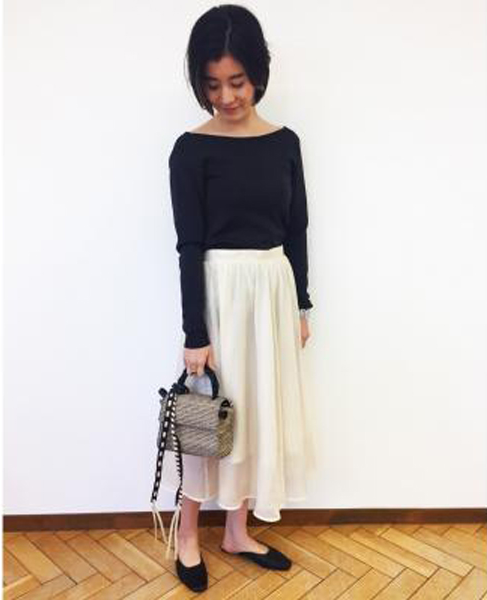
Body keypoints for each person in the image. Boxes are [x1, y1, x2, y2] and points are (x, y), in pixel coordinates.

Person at [159, 4, 316, 592]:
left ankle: (236, 531)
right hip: (220, 295)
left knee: (254, 417)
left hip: (272, 292)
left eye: (238, 82)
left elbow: (297, 228)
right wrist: (194, 333)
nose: (225, 96)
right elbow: (188, 246)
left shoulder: (285, 143)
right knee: (207, 419)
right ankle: (187, 535)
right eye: (212, 84)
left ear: (258, 74)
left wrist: (301, 305)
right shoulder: (190, 150)